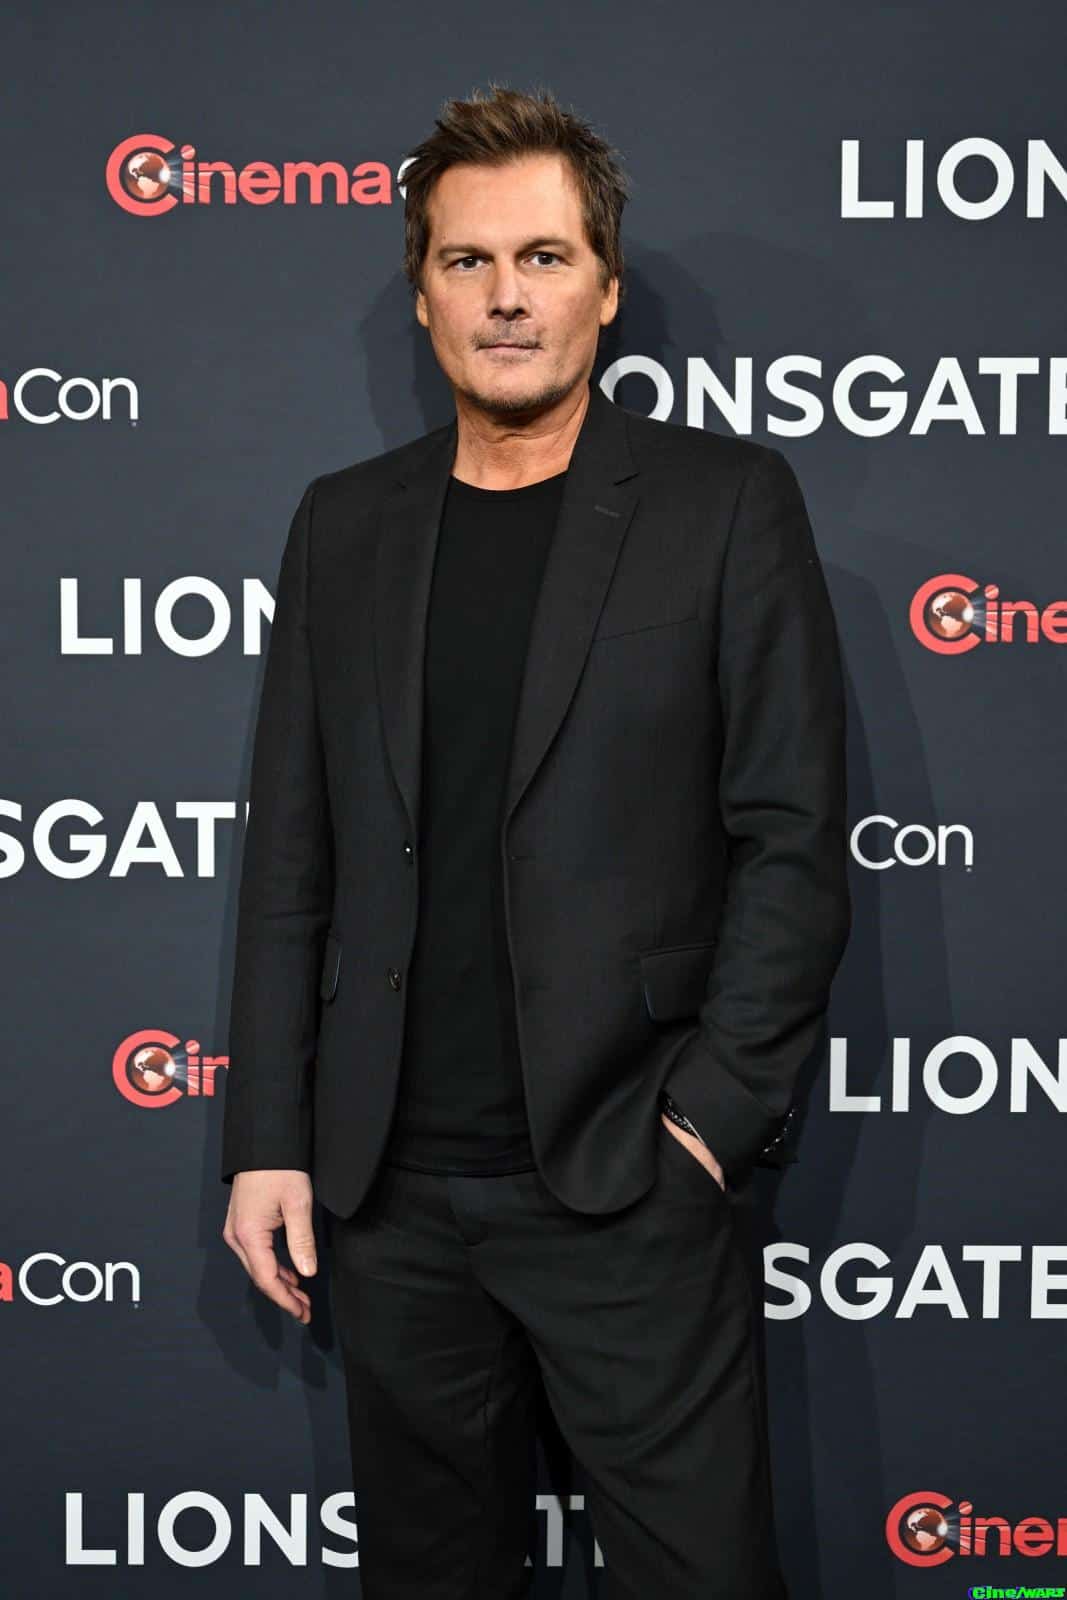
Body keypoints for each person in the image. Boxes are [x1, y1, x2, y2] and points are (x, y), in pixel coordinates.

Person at [220, 83, 850, 1600]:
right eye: (468, 261)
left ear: (605, 288)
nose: (507, 296)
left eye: (545, 258)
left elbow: (793, 839)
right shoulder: (343, 526)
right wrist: (270, 1140)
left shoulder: (723, 505)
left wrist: (702, 1127)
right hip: (389, 1202)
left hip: (629, 1178)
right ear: (423, 295)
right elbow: (292, 858)